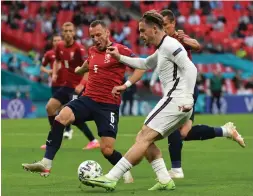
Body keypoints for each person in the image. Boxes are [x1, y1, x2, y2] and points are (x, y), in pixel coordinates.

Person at [82, 10, 198, 191]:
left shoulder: (170, 45)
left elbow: (191, 69)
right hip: (179, 102)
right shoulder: (163, 48)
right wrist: (119, 58)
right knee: (144, 139)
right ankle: (164, 179)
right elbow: (144, 64)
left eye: (143, 31)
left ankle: (111, 177)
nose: (141, 35)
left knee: (143, 137)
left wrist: (189, 98)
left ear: (154, 29)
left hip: (178, 100)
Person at [22, 20, 135, 183]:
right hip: (88, 99)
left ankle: (124, 171)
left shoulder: (120, 50)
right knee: (61, 116)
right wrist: (81, 70)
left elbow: (140, 66)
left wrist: (127, 84)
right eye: (92, 36)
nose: (96, 39)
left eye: (98, 34)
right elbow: (89, 63)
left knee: (107, 150)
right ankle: (46, 162)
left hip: (108, 105)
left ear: (107, 33)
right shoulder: (92, 50)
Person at [137, 9, 246, 179]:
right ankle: (225, 131)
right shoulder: (162, 42)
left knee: (172, 128)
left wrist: (184, 38)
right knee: (183, 134)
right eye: (161, 26)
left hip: (186, 88)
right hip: (175, 89)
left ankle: (176, 169)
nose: (163, 28)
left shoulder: (177, 39)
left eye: (165, 25)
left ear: (173, 24)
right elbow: (151, 63)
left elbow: (196, 45)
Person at [40, 23, 99, 150]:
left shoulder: (79, 49)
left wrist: (81, 84)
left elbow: (88, 68)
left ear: (74, 33)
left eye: (70, 31)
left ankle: (94, 141)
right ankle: (54, 139)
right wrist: (55, 72)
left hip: (77, 87)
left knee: (73, 117)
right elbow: (57, 60)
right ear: (62, 32)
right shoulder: (59, 46)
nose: (67, 33)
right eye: (65, 30)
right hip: (67, 85)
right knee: (50, 107)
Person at [40, 35, 74, 149]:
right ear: (52, 42)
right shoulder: (49, 54)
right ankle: (57, 133)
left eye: (59, 40)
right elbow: (42, 67)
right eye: (55, 40)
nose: (57, 42)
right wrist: (50, 71)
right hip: (55, 85)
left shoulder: (67, 52)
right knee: (54, 108)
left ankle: (67, 130)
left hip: (67, 85)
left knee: (65, 109)